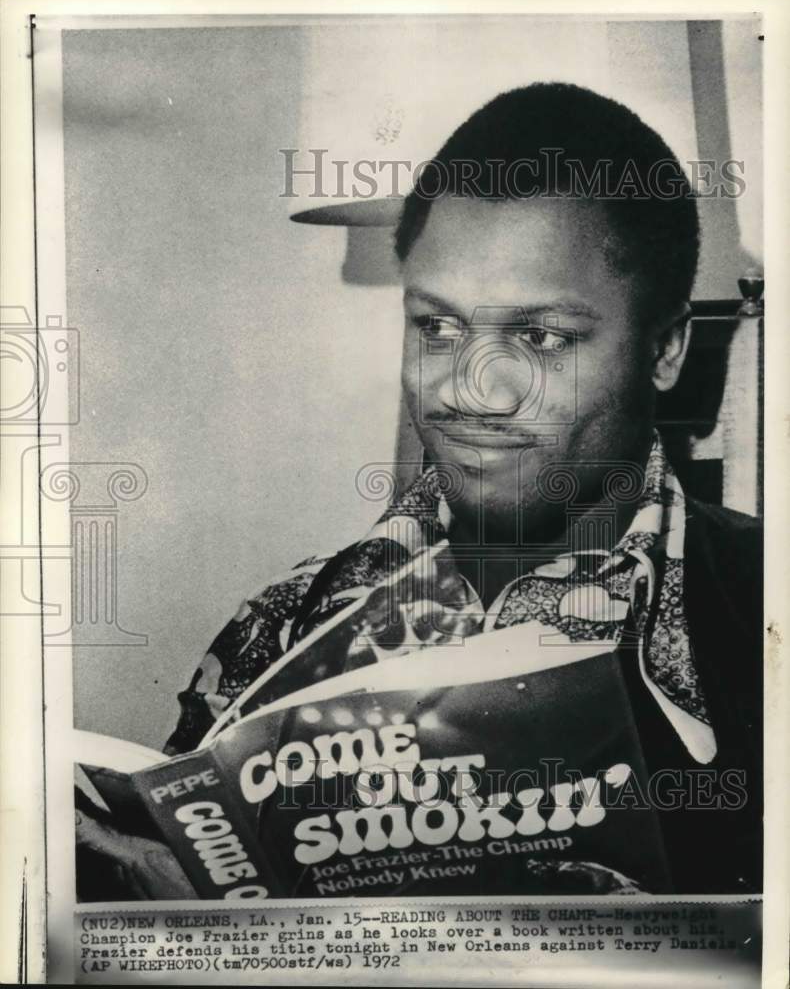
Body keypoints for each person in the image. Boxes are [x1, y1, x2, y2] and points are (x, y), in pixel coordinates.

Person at [76, 83, 762, 900]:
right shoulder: (283, 624)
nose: (472, 390)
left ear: (665, 350)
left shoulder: (766, 608)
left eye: (542, 336)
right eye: (437, 326)